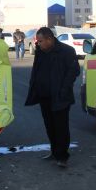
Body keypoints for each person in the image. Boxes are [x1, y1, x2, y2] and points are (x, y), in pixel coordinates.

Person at [24, 27, 80, 167]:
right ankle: (54, 152)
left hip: (60, 96)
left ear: (49, 39)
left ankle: (62, 157)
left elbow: (74, 71)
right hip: (44, 96)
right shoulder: (41, 52)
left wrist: (63, 89)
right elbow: (37, 69)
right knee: (50, 126)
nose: (38, 44)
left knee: (61, 127)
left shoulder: (66, 51)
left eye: (41, 41)